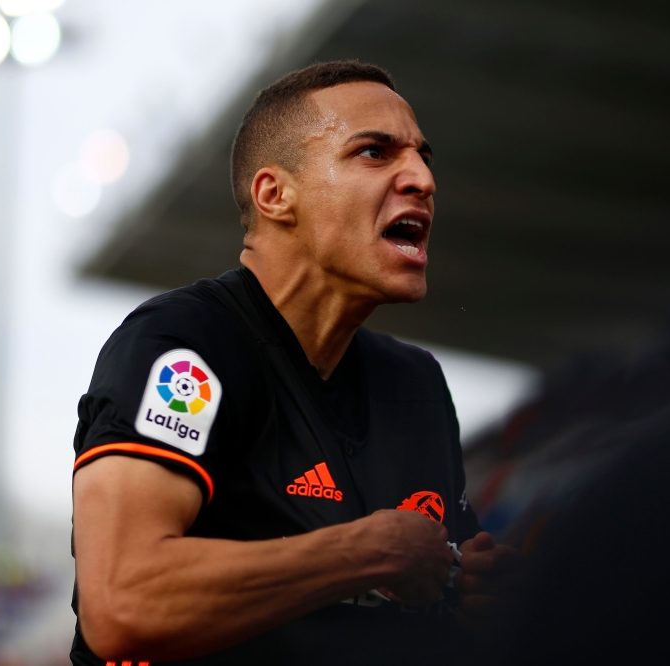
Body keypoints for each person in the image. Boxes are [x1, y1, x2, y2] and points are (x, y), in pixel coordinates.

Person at [69, 61, 520, 666]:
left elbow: (437, 589)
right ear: (275, 195)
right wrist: (365, 554)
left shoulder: (417, 385)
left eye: (422, 156)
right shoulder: (186, 345)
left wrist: (484, 601)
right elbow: (122, 601)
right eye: (375, 152)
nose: (421, 178)